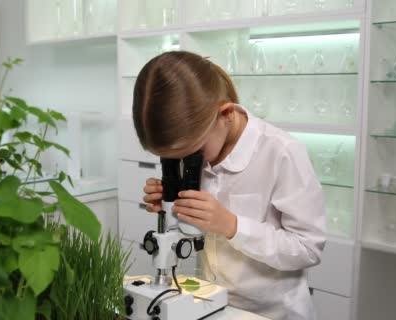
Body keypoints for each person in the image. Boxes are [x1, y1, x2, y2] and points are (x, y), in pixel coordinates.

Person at [133, 51, 326, 320]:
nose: (190, 160)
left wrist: (232, 226)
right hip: (211, 303)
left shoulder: (282, 152)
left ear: (225, 113)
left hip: (271, 313)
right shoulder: (199, 143)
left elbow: (308, 249)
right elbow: (195, 232)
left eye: (195, 150)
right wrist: (171, 206)